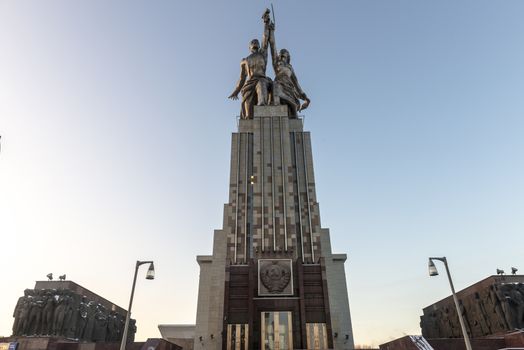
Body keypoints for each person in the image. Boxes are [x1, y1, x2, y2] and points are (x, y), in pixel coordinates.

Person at [229, 9, 272, 119]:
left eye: (256, 42)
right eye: (252, 42)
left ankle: (263, 109)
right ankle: (249, 120)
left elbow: (265, 38)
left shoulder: (263, 54)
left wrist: (266, 22)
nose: (255, 43)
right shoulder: (244, 60)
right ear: (249, 47)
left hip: (261, 79)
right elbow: (242, 78)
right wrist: (236, 91)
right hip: (249, 83)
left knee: (261, 84)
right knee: (248, 115)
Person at [268, 21, 310, 116]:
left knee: (292, 109)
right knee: (275, 88)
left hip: (289, 87)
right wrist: (272, 31)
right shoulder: (277, 63)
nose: (282, 53)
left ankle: (292, 109)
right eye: (281, 53)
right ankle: (279, 109)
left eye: (284, 52)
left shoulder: (290, 68)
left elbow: (296, 83)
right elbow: (272, 46)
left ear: (288, 56)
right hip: (278, 83)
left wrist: (305, 96)